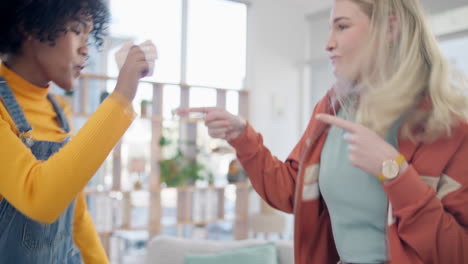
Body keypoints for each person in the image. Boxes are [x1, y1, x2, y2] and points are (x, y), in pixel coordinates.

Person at [178, 0, 468, 263]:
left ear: (389, 28)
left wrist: (393, 171)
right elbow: (292, 191)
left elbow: (459, 251)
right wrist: (241, 136)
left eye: (342, 26)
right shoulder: (333, 107)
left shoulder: (450, 126)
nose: (328, 44)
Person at [0, 0, 155, 263]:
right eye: (76, 29)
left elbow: (76, 214)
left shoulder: (60, 111)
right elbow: (40, 197)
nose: (86, 50)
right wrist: (121, 97)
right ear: (32, 26)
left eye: (89, 35)